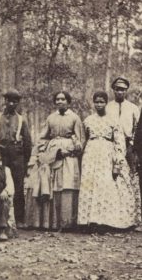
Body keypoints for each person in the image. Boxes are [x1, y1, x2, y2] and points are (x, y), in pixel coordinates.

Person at [78, 91, 141, 230]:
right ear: (93, 103)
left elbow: (119, 141)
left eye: (102, 102)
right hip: (90, 154)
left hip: (107, 154)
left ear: (106, 103)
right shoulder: (88, 120)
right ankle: (89, 220)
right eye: (96, 102)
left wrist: (118, 158)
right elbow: (84, 139)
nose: (99, 104)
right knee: (90, 184)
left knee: (105, 184)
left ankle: (104, 220)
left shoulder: (113, 120)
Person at [25, 91, 85, 231]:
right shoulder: (51, 118)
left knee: (66, 185)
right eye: (57, 99)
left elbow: (80, 140)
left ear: (68, 102)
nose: (59, 102)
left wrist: (70, 149)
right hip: (52, 154)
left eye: (63, 99)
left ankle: (67, 223)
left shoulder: (75, 118)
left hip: (68, 157)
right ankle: (52, 222)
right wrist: (43, 150)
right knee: (52, 185)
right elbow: (43, 137)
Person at [0, 88, 32, 228]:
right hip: (0, 154)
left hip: (17, 156)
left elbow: (28, 142)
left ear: (18, 103)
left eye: (15, 101)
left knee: (17, 187)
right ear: (4, 101)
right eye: (9, 100)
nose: (11, 103)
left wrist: (25, 161)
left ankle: (19, 219)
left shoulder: (22, 120)